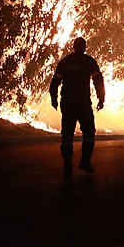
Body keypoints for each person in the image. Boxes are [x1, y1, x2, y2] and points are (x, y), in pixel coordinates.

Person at [50, 36, 105, 177]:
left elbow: (55, 82)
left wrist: (54, 99)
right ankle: (85, 162)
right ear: (84, 47)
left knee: (67, 133)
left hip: (67, 102)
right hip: (82, 103)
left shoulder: (66, 62)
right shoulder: (89, 62)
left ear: (73, 47)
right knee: (89, 131)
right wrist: (101, 98)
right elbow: (98, 81)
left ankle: (67, 162)